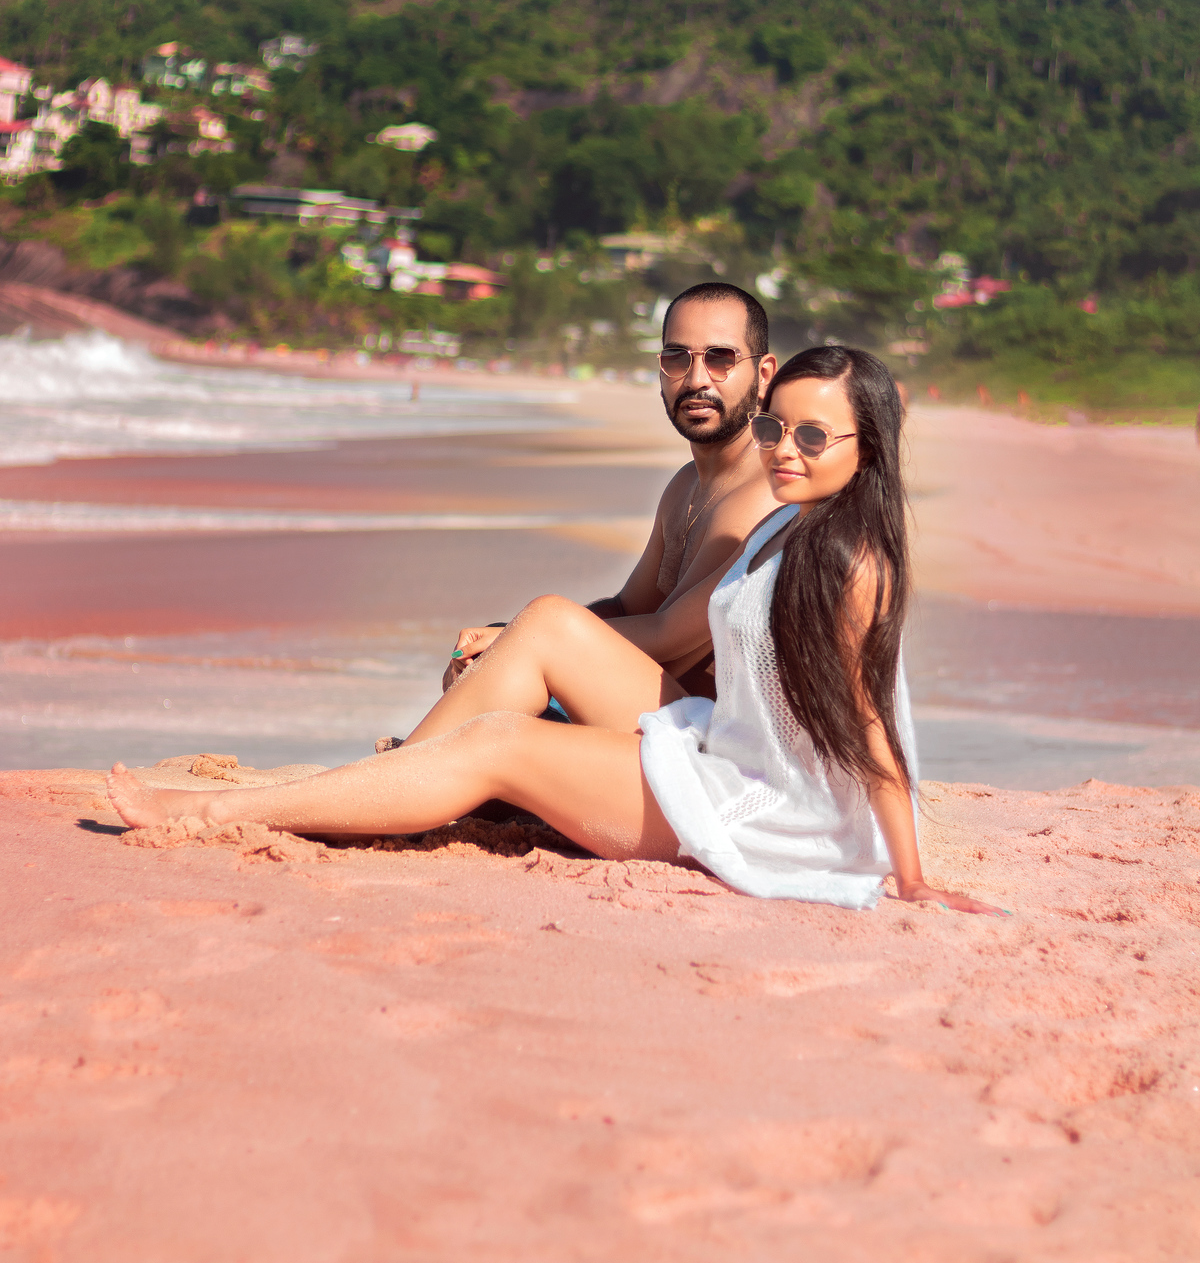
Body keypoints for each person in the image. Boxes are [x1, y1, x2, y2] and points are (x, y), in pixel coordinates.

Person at [107, 345, 1000, 916]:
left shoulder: (851, 565)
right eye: (774, 424)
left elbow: (870, 727)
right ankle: (387, 785)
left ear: (865, 449)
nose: (784, 448)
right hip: (720, 745)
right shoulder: (783, 520)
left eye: (814, 434)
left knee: (500, 741)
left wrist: (910, 875)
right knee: (546, 626)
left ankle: (218, 812)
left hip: (764, 808)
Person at [437, 283, 781, 704]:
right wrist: (507, 633)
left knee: (514, 655)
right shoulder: (685, 485)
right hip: (641, 700)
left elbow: (669, 645)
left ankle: (409, 763)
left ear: (763, 376)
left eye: (720, 359)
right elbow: (627, 608)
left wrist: (526, 638)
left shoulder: (763, 494)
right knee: (474, 664)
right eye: (677, 358)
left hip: (697, 728)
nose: (696, 379)